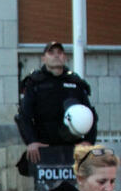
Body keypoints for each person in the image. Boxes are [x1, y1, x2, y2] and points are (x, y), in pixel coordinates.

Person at [16, 41, 95, 175]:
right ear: (44, 58)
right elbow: (24, 116)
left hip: (72, 147)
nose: (56, 55)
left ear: (65, 58)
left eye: (60, 53)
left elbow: (90, 115)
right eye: (51, 53)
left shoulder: (75, 82)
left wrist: (88, 141)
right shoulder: (35, 82)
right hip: (44, 147)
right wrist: (31, 141)